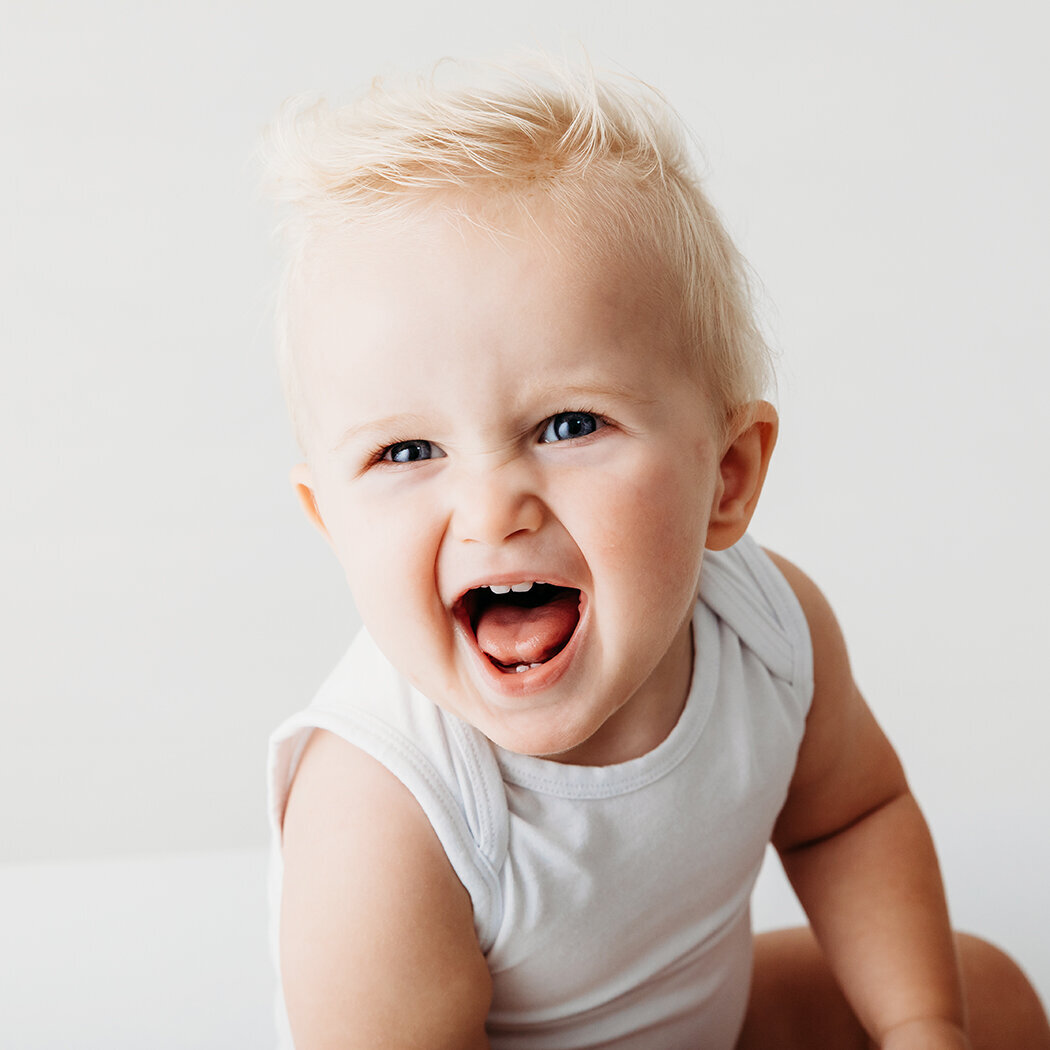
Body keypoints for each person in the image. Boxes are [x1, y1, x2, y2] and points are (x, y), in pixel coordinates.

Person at [264, 59, 1049, 1049]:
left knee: (991, 997)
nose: (491, 506)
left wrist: (919, 1026)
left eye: (567, 424)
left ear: (725, 476)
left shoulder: (764, 631)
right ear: (330, 519)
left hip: (702, 1024)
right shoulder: (385, 814)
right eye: (408, 451)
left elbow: (848, 819)